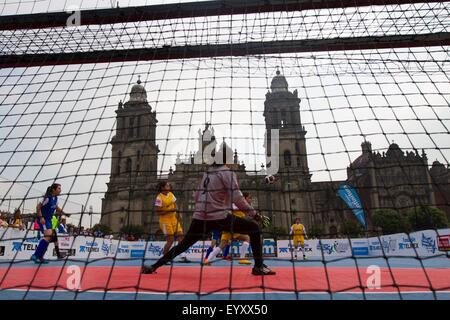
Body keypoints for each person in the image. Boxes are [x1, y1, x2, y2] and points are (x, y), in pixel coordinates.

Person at [142, 142, 275, 275]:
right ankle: (258, 267)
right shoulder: (227, 173)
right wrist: (255, 215)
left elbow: (197, 196)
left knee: (183, 245)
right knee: (254, 228)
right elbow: (238, 198)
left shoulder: (207, 173)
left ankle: (154, 267)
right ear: (228, 159)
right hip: (218, 217)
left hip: (200, 217)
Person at [204, 192, 254, 265]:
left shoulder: (244, 206)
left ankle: (207, 260)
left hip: (228, 227)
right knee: (247, 238)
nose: (251, 200)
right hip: (232, 227)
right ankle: (242, 259)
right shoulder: (239, 204)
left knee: (222, 244)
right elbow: (230, 209)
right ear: (245, 198)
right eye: (249, 198)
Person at [154, 181, 190, 263]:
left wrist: (178, 213)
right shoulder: (159, 198)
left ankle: (183, 256)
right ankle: (164, 258)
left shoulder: (171, 194)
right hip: (165, 221)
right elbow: (158, 212)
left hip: (174, 219)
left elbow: (175, 204)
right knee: (170, 241)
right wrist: (170, 210)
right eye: (167, 185)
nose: (169, 185)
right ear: (162, 188)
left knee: (180, 237)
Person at [31, 183, 65, 264]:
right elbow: (38, 207)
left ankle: (40, 257)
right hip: (43, 219)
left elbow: (57, 208)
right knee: (48, 235)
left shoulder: (56, 199)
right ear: (53, 189)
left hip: (48, 220)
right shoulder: (47, 198)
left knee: (49, 237)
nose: (60, 190)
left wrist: (65, 213)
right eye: (59, 188)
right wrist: (41, 217)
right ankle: (35, 255)